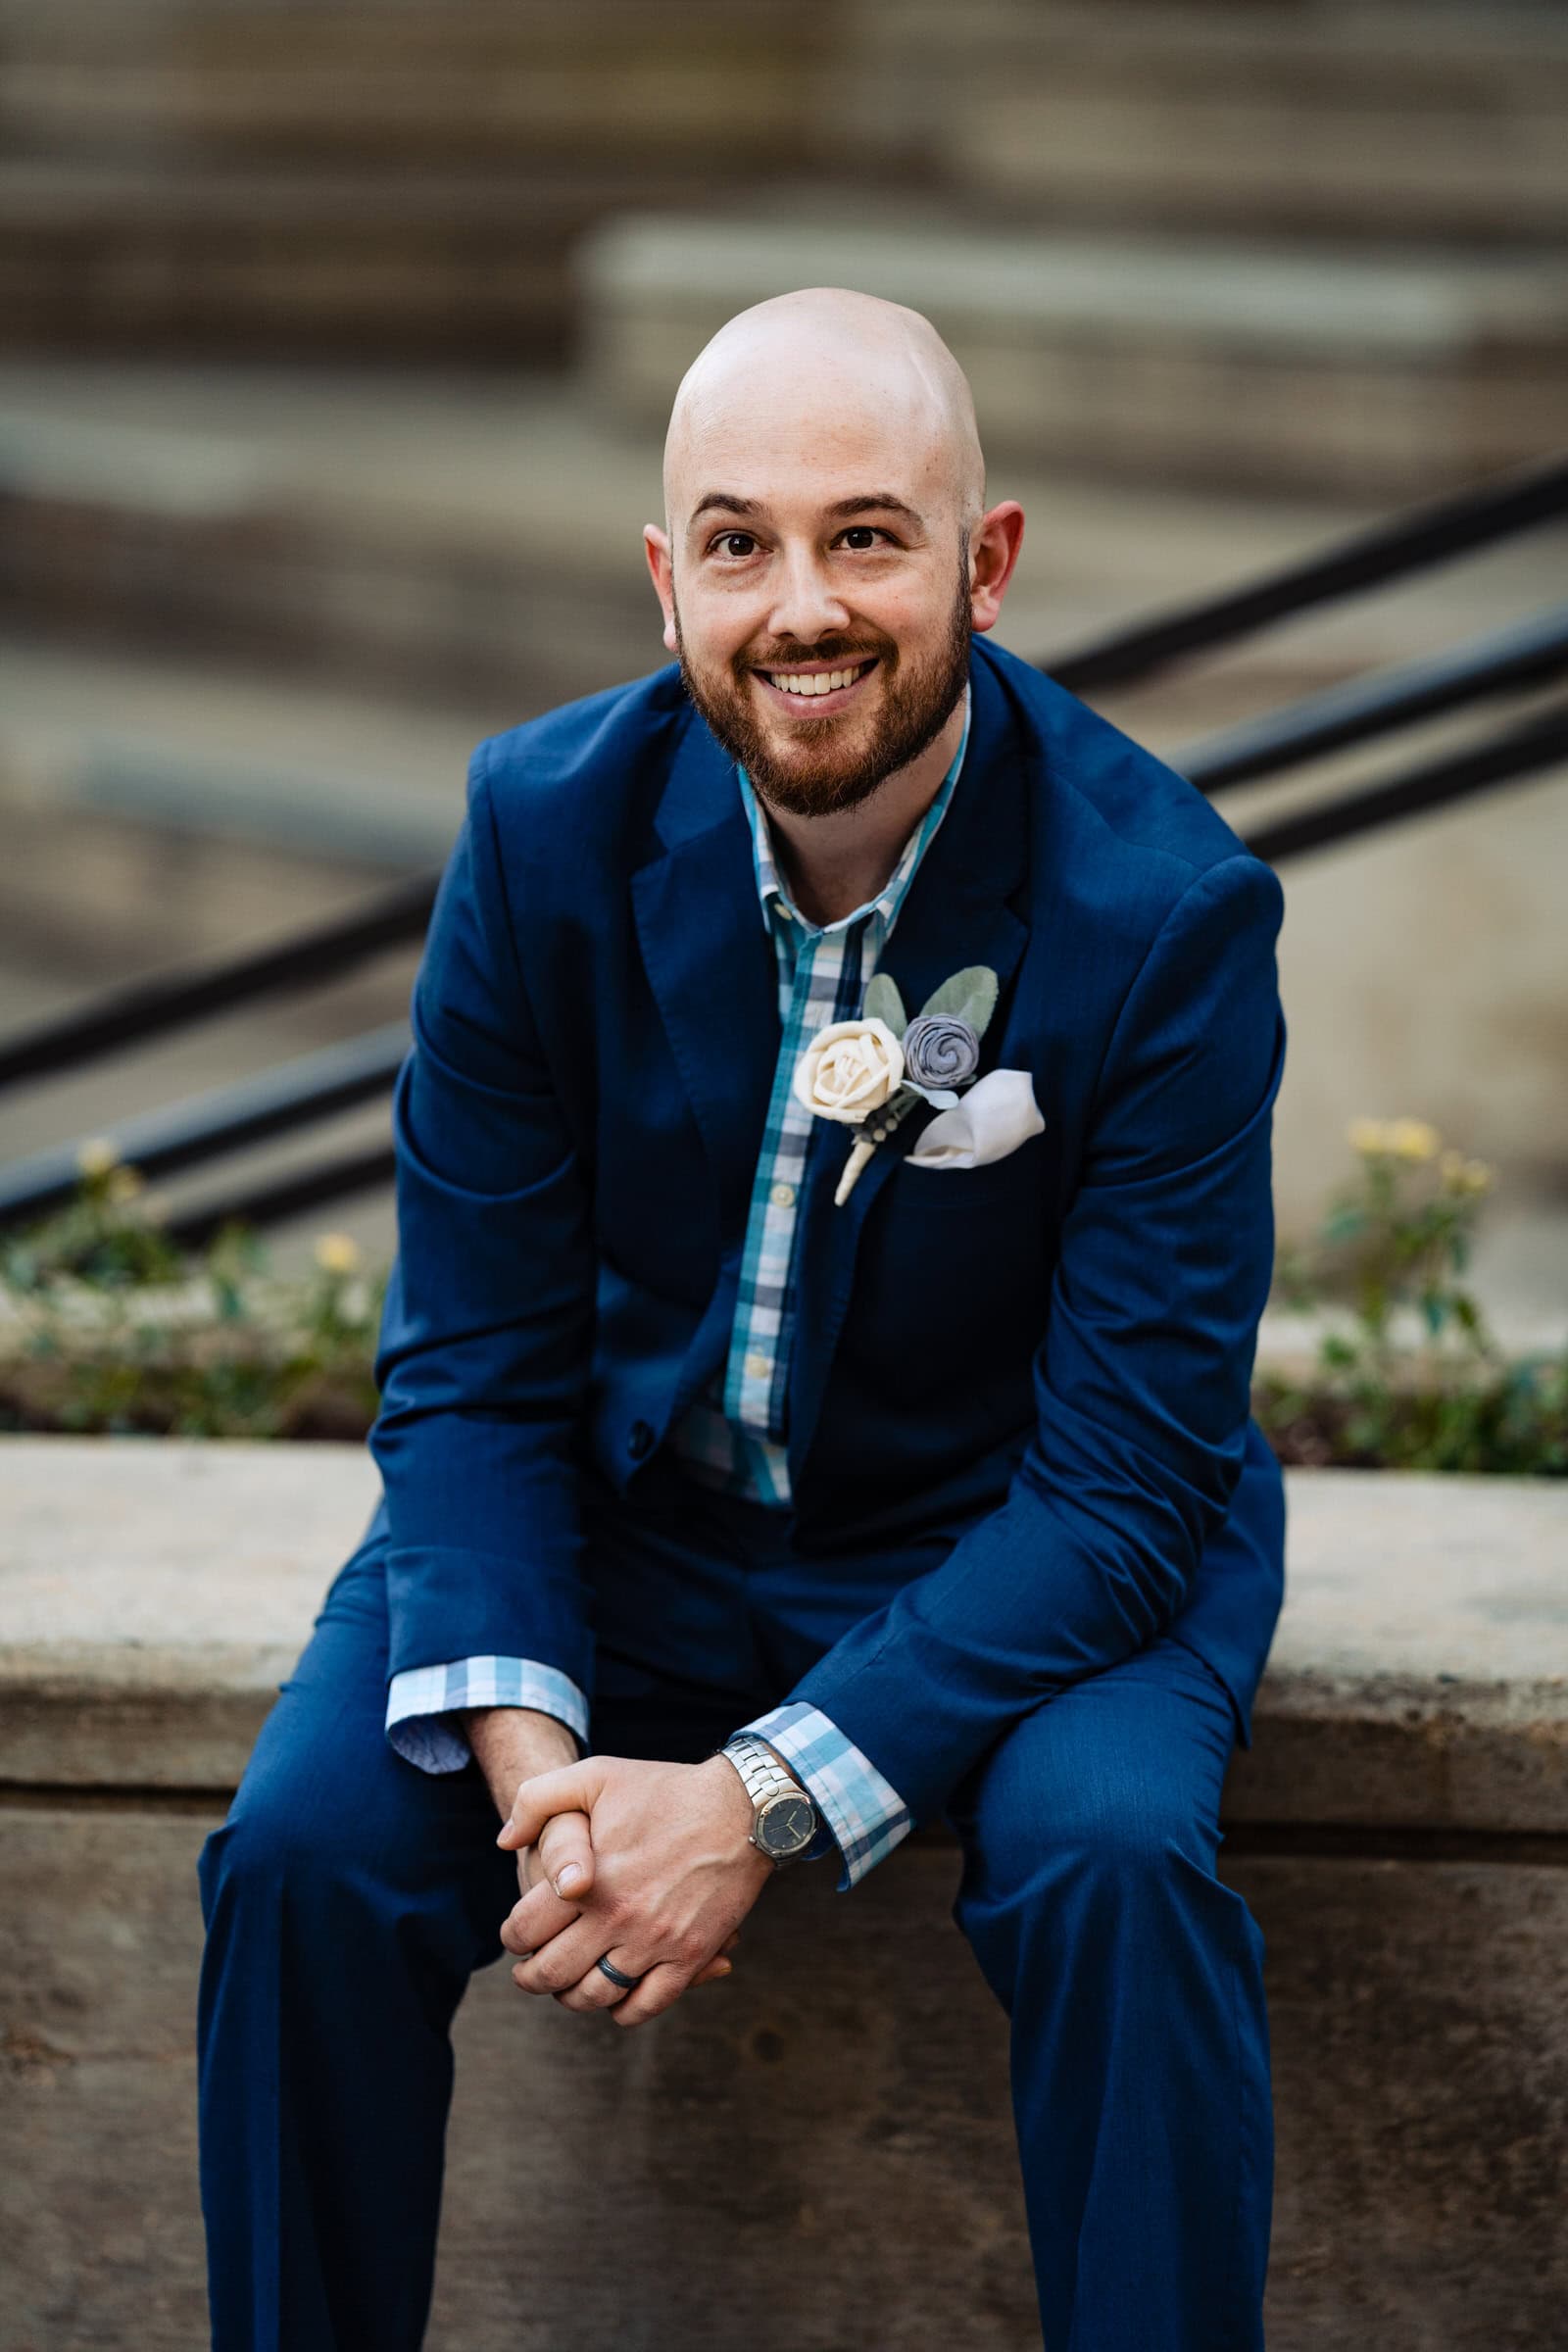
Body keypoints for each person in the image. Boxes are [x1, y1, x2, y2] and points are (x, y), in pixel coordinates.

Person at [196, 286, 1287, 2350]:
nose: (800, 605)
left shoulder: (1167, 914)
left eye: (866, 535)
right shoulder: (541, 832)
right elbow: (474, 1371)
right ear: (662, 573)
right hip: (632, 1522)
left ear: (986, 560)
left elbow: (1129, 1487)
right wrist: (552, 1789)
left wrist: (753, 1802)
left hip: (1017, 1538)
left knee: (1118, 1866)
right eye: (737, 541)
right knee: (302, 1859)